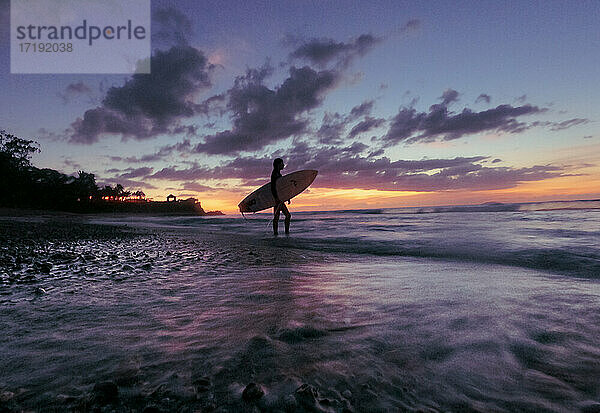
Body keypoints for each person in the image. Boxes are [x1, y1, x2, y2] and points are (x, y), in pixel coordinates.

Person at [271, 158, 291, 235]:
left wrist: (287, 197)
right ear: (278, 165)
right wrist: (276, 198)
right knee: (285, 216)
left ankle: (277, 234)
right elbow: (273, 187)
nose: (283, 165)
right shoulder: (275, 174)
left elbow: (282, 188)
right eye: (282, 163)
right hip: (278, 199)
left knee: (278, 217)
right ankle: (284, 233)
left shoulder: (278, 174)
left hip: (280, 198)